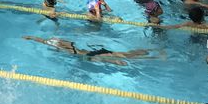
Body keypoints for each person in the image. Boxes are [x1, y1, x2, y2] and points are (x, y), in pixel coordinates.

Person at [22, 36, 151, 66]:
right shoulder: (66, 42)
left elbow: (43, 41)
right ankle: (144, 52)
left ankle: (145, 60)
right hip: (92, 50)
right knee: (123, 54)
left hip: (88, 55)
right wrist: (31, 37)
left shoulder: (61, 48)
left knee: (119, 62)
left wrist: (31, 38)